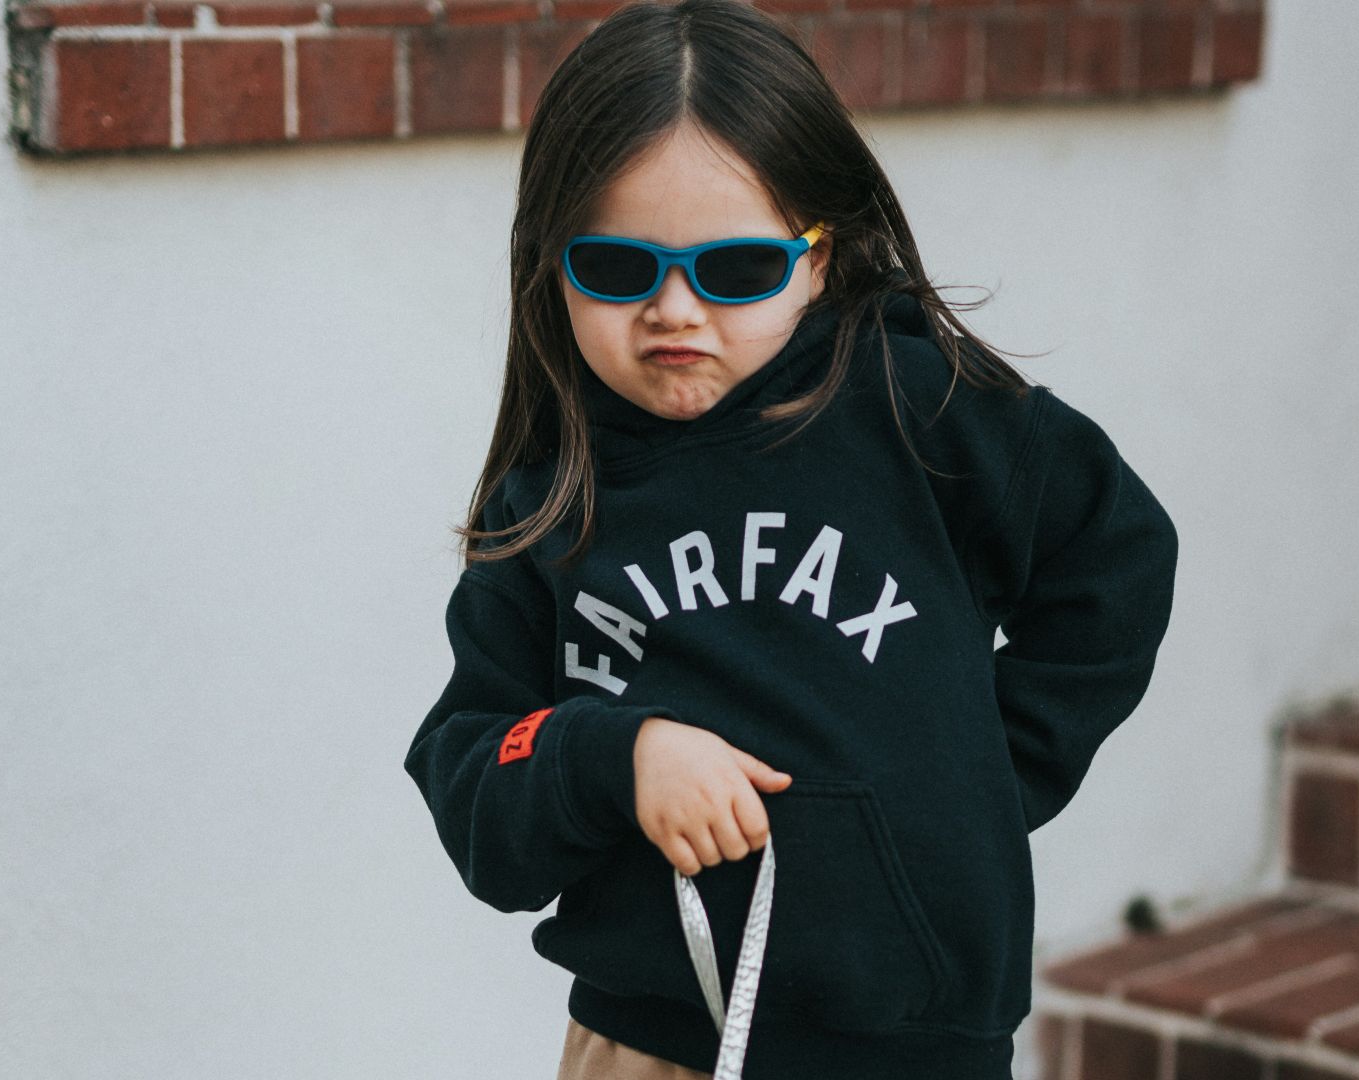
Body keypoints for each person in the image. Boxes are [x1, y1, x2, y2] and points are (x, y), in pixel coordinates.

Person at [400, 0, 1179, 1076]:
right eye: (619, 269)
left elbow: (1117, 555)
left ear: (823, 255)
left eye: (734, 271)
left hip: (918, 1046)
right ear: (552, 263)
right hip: (654, 1045)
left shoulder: (917, 407)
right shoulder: (548, 501)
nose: (675, 310)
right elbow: (473, 779)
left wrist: (982, 779)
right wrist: (610, 756)